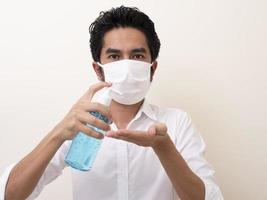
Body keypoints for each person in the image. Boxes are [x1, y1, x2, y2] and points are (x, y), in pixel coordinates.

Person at [0, 6, 223, 200]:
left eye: (137, 56)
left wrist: (163, 147)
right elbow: (10, 195)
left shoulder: (176, 122)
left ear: (152, 68)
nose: (126, 66)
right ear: (99, 69)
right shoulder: (79, 123)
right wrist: (59, 133)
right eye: (115, 57)